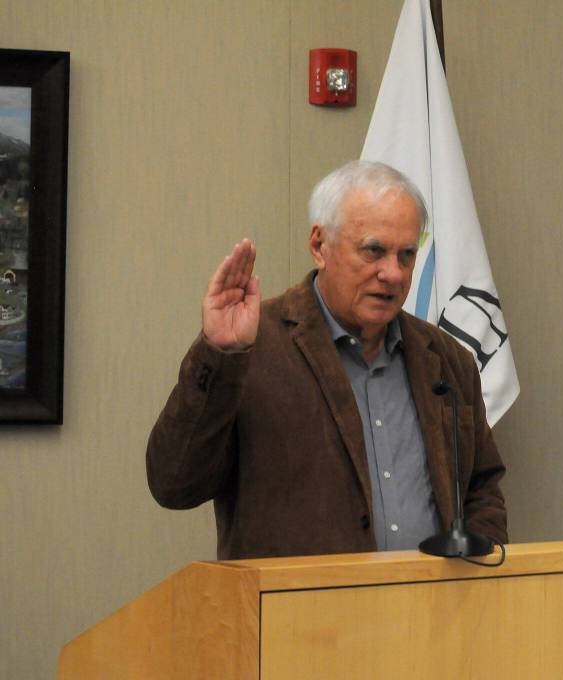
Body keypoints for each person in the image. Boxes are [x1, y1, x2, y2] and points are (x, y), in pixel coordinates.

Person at [146, 160, 508, 560]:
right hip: (299, 616)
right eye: (374, 251)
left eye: (406, 255)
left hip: (427, 614)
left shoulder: (445, 359)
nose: (393, 273)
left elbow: (481, 487)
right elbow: (174, 484)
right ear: (320, 245)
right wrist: (220, 355)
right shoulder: (253, 348)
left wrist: (478, 571)